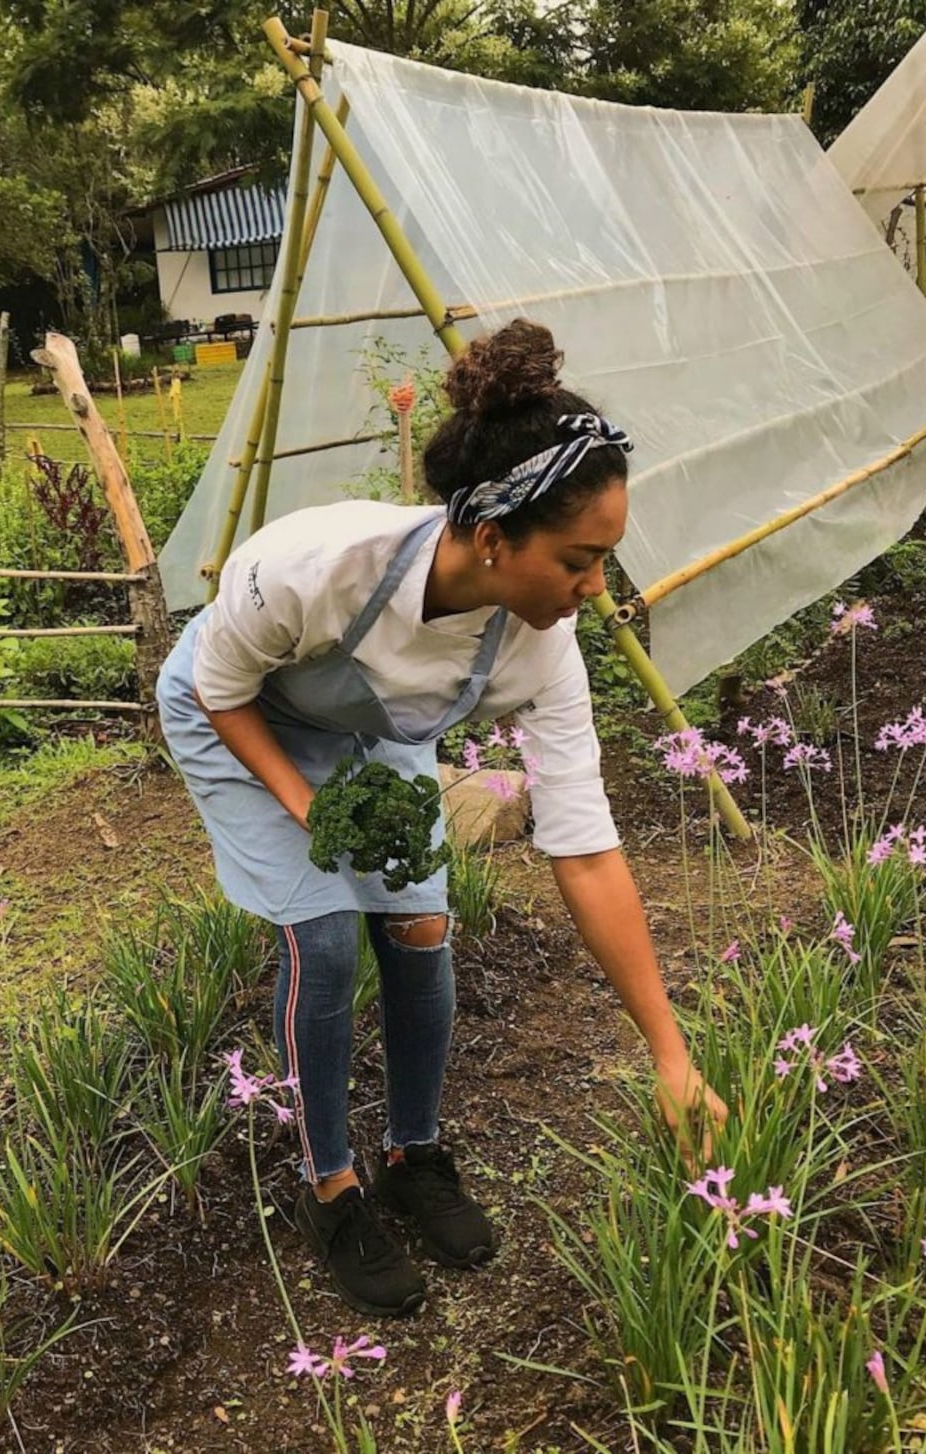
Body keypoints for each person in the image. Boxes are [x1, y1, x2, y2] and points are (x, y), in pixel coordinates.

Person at [157, 318, 729, 1319]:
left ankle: (413, 1155)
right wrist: (311, 810)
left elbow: (585, 847)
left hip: (369, 724)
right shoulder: (314, 562)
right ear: (493, 536)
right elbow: (222, 687)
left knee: (420, 924)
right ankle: (330, 1188)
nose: (597, 589)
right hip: (237, 713)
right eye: (580, 559)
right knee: (323, 938)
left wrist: (670, 1053)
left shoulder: (540, 648)